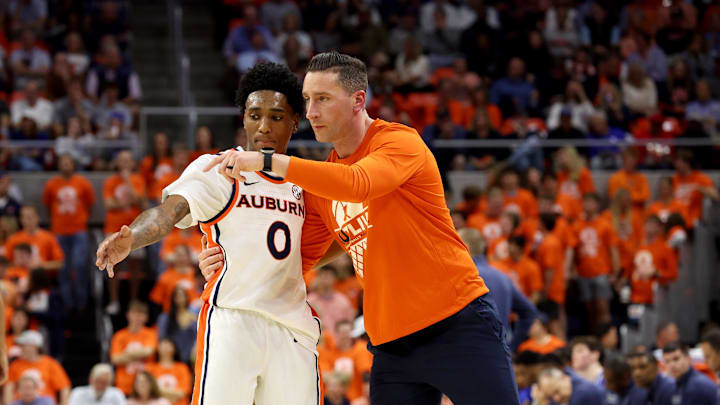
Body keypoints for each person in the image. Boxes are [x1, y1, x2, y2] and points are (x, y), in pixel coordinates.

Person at [202, 51, 519, 404]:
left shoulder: (400, 143)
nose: (311, 113)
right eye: (307, 100)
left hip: (456, 324)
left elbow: (358, 182)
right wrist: (226, 263)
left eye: (322, 99)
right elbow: (292, 257)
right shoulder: (323, 185)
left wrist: (267, 161)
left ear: (358, 101)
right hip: (391, 346)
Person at [96, 62, 325, 405]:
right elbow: (169, 213)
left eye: (276, 117)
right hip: (234, 319)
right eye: (254, 115)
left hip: (292, 327)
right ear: (243, 118)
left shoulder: (309, 180)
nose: (263, 126)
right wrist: (133, 237)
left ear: (295, 120)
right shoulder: (217, 169)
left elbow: (334, 240)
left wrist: (296, 265)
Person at [458, 227, 537, 351]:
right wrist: (512, 346)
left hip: (472, 353)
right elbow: (529, 312)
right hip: (501, 354)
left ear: (465, 246)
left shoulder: (464, 277)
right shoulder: (502, 277)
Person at [42, 154, 95, 310]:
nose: (65, 166)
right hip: (59, 232)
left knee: (80, 265)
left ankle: (82, 302)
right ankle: (67, 304)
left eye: (68, 163)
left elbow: (89, 204)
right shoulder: (52, 184)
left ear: (73, 165)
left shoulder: (83, 183)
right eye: (63, 163)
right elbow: (47, 206)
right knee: (62, 268)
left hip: (79, 231)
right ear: (59, 165)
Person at [4, 330, 71, 405]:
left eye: (24, 345)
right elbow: (8, 388)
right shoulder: (15, 365)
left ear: (35, 347)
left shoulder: (50, 363)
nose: (21, 348)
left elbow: (64, 387)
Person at [110, 301, 157, 395]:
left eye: (141, 314)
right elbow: (115, 359)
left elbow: (148, 352)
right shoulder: (119, 335)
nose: (137, 317)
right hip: (123, 385)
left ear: (146, 317)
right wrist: (140, 354)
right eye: (134, 313)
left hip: (146, 385)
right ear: (128, 315)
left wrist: (125, 355)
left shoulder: (151, 333)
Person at [146, 339, 192, 405]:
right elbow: (148, 392)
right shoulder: (150, 368)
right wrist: (173, 395)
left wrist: (158, 391)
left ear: (174, 348)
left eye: (168, 344)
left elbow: (182, 393)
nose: (165, 347)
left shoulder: (182, 368)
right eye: (162, 344)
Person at [532, 367, 605, 405]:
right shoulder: (570, 387)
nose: (556, 399)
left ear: (564, 378)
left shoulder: (583, 393)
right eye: (550, 397)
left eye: (556, 392)